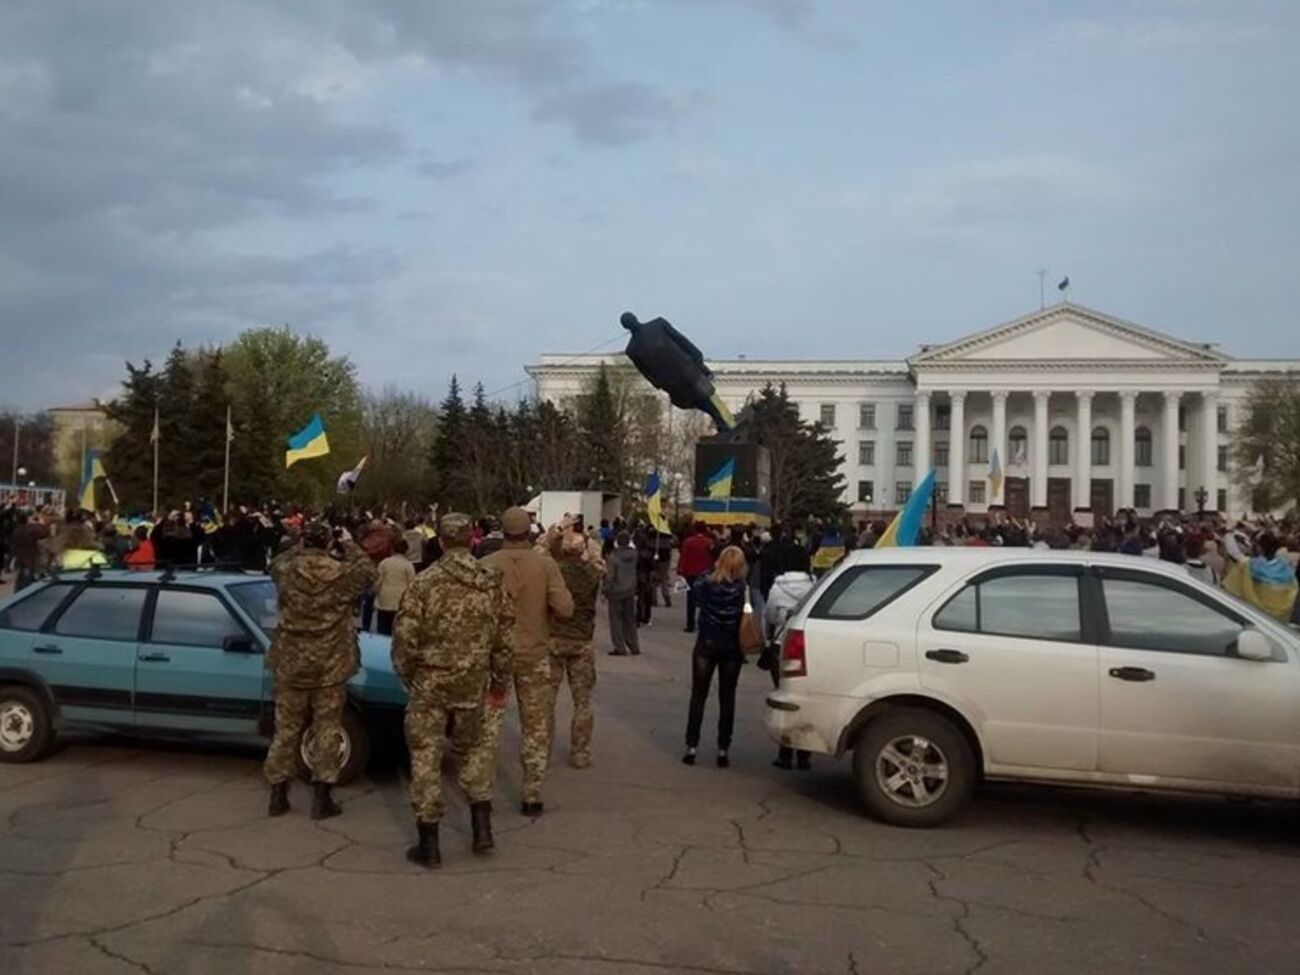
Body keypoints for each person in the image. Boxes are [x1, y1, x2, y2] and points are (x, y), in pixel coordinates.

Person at [390, 512, 514, 868]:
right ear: (471, 538)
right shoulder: (491, 581)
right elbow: (504, 639)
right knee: (473, 749)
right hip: (472, 680)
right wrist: (499, 681)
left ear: (441, 541)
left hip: (431, 681)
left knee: (426, 754)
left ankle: (429, 843)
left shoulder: (424, 583)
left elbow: (404, 639)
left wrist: (409, 675)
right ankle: (481, 827)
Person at [263, 521, 376, 820]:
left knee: (286, 728)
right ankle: (322, 796)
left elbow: (276, 562)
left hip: (292, 661)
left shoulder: (286, 570)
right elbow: (368, 571)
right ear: (329, 543)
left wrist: (299, 548)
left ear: (303, 541)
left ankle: (278, 793)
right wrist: (349, 543)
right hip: (330, 662)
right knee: (327, 727)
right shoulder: (342, 574)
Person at [471, 506, 574, 817]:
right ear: (529, 532)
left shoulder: (485, 565)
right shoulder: (544, 565)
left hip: (495, 657)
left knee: (488, 726)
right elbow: (565, 608)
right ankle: (532, 793)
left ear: (503, 532)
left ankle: (482, 794)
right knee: (535, 725)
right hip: (534, 654)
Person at [682, 545, 748, 769]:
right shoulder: (741, 588)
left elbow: (696, 592)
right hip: (731, 647)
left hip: (707, 644)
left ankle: (692, 745)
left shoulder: (706, 584)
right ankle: (723, 747)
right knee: (727, 698)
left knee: (698, 696)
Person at [548, 530, 602, 768]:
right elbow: (598, 560)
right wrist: (591, 542)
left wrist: (555, 534)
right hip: (581, 642)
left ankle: (542, 748)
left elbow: (541, 550)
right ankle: (580, 752)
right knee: (582, 702)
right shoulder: (592, 573)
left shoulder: (553, 571)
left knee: (546, 701)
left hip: (554, 639)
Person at [604, 531, 640, 656]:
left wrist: (605, 590)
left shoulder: (613, 557)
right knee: (630, 620)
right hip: (630, 589)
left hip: (616, 591)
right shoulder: (634, 555)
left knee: (616, 620)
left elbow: (610, 576)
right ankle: (634, 645)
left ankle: (620, 647)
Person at [374, 539, 417, 636]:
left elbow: (378, 582)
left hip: (384, 599)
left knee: (383, 629)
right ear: (406, 550)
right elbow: (412, 583)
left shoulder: (384, 563)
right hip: (401, 600)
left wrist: (375, 594)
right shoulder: (408, 565)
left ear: (392, 549)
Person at [678, 523, 715, 633]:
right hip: (705, 573)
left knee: (691, 600)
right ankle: (704, 622)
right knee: (706, 599)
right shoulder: (709, 542)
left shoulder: (688, 541)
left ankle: (690, 624)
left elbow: (684, 557)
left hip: (690, 573)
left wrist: (681, 571)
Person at [11, 512, 49, 591]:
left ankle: (17, 592)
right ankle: (25, 592)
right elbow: (44, 533)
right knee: (27, 576)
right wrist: (40, 524)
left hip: (19, 555)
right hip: (29, 556)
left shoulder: (16, 529)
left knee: (19, 576)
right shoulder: (29, 530)